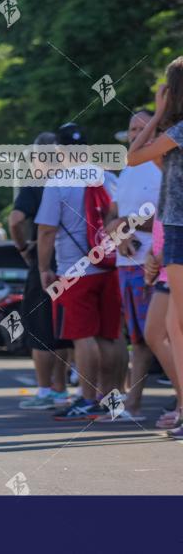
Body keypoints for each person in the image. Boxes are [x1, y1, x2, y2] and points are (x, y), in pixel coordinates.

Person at [37, 123, 121, 421]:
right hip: (110, 267)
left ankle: (86, 399)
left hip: (75, 270)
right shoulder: (108, 178)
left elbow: (46, 231)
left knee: (83, 336)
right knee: (109, 336)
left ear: (60, 151)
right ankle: (111, 400)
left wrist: (44, 269)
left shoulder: (57, 182)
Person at [127, 56, 183, 438]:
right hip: (174, 229)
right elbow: (161, 170)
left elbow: (133, 157)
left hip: (181, 228)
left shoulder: (181, 129)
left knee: (176, 326)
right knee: (170, 326)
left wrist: (158, 111)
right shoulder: (176, 133)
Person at [98, 110, 162, 423]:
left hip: (154, 262)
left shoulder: (162, 164)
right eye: (132, 128)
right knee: (137, 337)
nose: (136, 132)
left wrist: (129, 222)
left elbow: (167, 217)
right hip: (127, 262)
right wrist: (115, 228)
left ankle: (140, 403)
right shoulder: (128, 168)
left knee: (156, 336)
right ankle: (132, 402)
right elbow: (111, 213)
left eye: (142, 126)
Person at [9, 132, 72, 410]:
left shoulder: (36, 183)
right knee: (64, 329)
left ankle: (45, 391)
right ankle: (62, 389)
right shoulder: (75, 180)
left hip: (44, 264)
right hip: (75, 263)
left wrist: (24, 248)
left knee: (40, 329)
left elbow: (15, 220)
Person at [144, 218, 182, 429]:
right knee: (155, 334)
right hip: (165, 267)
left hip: (175, 263)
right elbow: (162, 226)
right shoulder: (166, 186)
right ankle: (180, 403)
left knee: (163, 334)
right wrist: (151, 254)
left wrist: (157, 258)